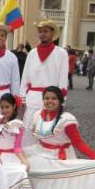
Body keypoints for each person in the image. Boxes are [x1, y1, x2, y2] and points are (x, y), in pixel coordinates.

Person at [20, 19, 68, 147]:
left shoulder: (61, 53)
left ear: (52, 33)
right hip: (33, 98)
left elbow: (63, 79)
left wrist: (62, 100)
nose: (42, 34)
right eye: (40, 31)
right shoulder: (32, 53)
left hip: (51, 100)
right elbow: (25, 77)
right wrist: (22, 98)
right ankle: (28, 158)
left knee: (49, 131)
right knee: (29, 130)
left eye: (45, 31)